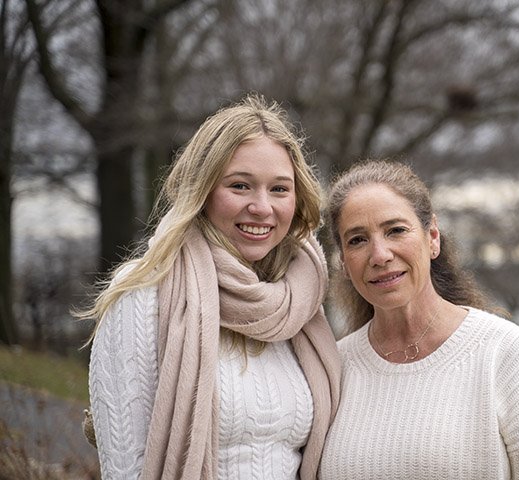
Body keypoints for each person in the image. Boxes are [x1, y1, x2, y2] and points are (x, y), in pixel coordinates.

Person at [81, 94, 340, 480]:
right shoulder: (145, 293)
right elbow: (126, 466)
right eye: (240, 186)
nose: (262, 207)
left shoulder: (300, 301)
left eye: (280, 189)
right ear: (201, 192)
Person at [318, 160, 519, 479]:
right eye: (357, 239)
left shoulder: (503, 353)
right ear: (344, 262)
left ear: (432, 238)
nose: (380, 255)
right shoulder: (335, 368)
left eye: (396, 230)